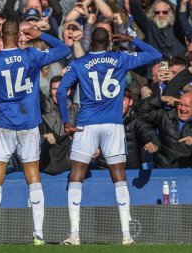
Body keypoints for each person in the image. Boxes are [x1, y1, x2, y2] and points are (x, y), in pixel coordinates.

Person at [0, 20, 70, 245]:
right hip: (29, 124)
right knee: (33, 177)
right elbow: (64, 49)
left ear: (1, 36)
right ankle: (39, 234)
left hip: (3, 124)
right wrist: (39, 33)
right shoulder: (31, 54)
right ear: (19, 35)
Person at [56, 27, 161, 245]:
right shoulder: (120, 58)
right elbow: (155, 55)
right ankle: (126, 235)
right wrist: (131, 39)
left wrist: (67, 120)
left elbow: (60, 91)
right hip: (113, 124)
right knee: (119, 177)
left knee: (76, 175)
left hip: (86, 124)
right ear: (109, 41)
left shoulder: (79, 63)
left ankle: (74, 234)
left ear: (91, 43)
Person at [137, 92, 192, 168]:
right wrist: (160, 99)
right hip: (164, 169)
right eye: (180, 104)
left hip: (188, 173)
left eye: (187, 106)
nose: (182, 109)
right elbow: (141, 111)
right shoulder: (166, 116)